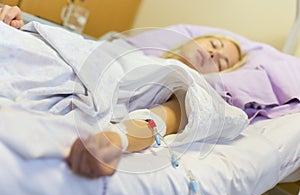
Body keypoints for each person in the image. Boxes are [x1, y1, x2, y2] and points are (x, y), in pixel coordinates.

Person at [0, 5, 245, 178]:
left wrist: (117, 140)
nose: (215, 53)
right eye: (215, 44)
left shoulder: (185, 83)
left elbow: (165, 117)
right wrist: (18, 25)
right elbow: (75, 47)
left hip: (57, 76)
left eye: (222, 63)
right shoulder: (126, 50)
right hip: (45, 49)